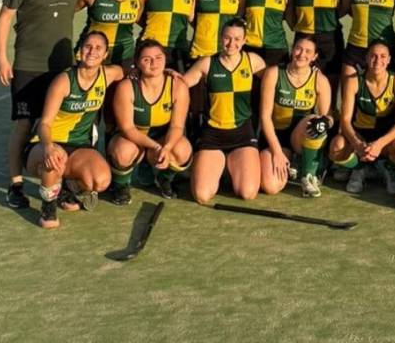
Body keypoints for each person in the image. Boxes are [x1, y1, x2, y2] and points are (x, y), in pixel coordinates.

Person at [0, 0, 87, 209]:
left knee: (56, 127)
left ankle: (59, 185)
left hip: (61, 68)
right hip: (28, 65)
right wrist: (2, 58)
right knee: (24, 125)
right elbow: (4, 18)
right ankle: (16, 185)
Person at [24, 31, 124, 228]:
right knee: (55, 158)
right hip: (44, 143)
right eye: (88, 46)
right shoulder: (64, 80)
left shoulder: (109, 74)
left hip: (79, 146)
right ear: (79, 51)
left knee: (100, 181)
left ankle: (66, 187)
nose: (92, 51)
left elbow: (128, 72)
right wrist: (48, 146)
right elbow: (44, 123)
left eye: (98, 48)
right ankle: (48, 206)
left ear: (105, 55)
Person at [182, 18, 267, 203]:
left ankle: (231, 166)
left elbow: (276, 80)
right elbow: (182, 84)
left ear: (244, 40)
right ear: (221, 38)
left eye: (237, 39)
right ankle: (216, 164)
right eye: (227, 38)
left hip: (242, 134)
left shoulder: (253, 61)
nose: (232, 44)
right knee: (202, 196)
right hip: (213, 135)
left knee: (248, 193)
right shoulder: (207, 63)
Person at [107, 39, 193, 205]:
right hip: (133, 139)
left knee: (182, 150)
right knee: (123, 151)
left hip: (160, 139)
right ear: (137, 63)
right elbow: (127, 129)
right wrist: (155, 147)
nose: (154, 63)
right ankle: (120, 185)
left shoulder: (177, 85)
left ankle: (164, 178)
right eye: (147, 59)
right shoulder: (127, 86)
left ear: (165, 59)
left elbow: (177, 126)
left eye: (158, 58)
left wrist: (166, 148)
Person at [329, 40, 395, 195]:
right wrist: (359, 144)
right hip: (361, 136)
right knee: (336, 148)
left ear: (388, 59)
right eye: (373, 56)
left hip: (386, 141)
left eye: (382, 56)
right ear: (366, 58)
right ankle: (359, 168)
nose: (377, 61)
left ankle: (388, 168)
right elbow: (345, 121)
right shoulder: (353, 81)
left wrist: (379, 145)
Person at [258, 34, 333, 198]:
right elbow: (264, 117)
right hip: (276, 138)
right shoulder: (274, 73)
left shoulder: (319, 80)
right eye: (298, 49)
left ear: (314, 56)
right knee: (270, 186)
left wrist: (327, 122)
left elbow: (327, 117)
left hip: (300, 137)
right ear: (292, 50)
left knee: (317, 122)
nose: (302, 54)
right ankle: (292, 161)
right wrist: (277, 152)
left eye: (308, 51)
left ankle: (308, 174)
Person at [288, 0, 343, 99]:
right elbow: (290, 13)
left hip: (330, 41)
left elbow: (341, 10)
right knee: (303, 91)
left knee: (330, 93)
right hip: (304, 39)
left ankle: (330, 123)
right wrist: (297, 28)